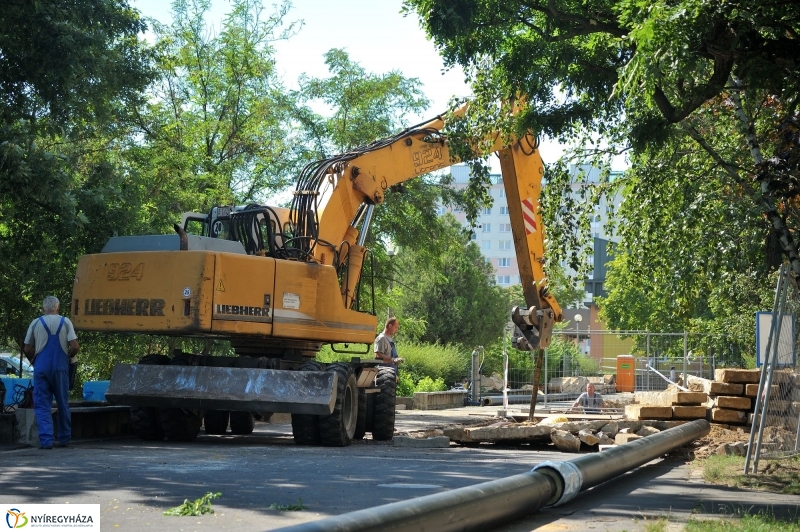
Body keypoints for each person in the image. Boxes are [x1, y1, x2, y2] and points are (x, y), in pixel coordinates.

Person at [23, 296, 79, 449]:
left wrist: (34, 360)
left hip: (41, 368)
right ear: (58, 307)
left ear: (43, 308)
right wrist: (70, 356)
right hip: (60, 367)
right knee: (62, 404)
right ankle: (64, 438)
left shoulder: (36, 323)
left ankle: (46, 441)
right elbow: (74, 346)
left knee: (42, 405)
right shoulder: (65, 322)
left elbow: (27, 348)